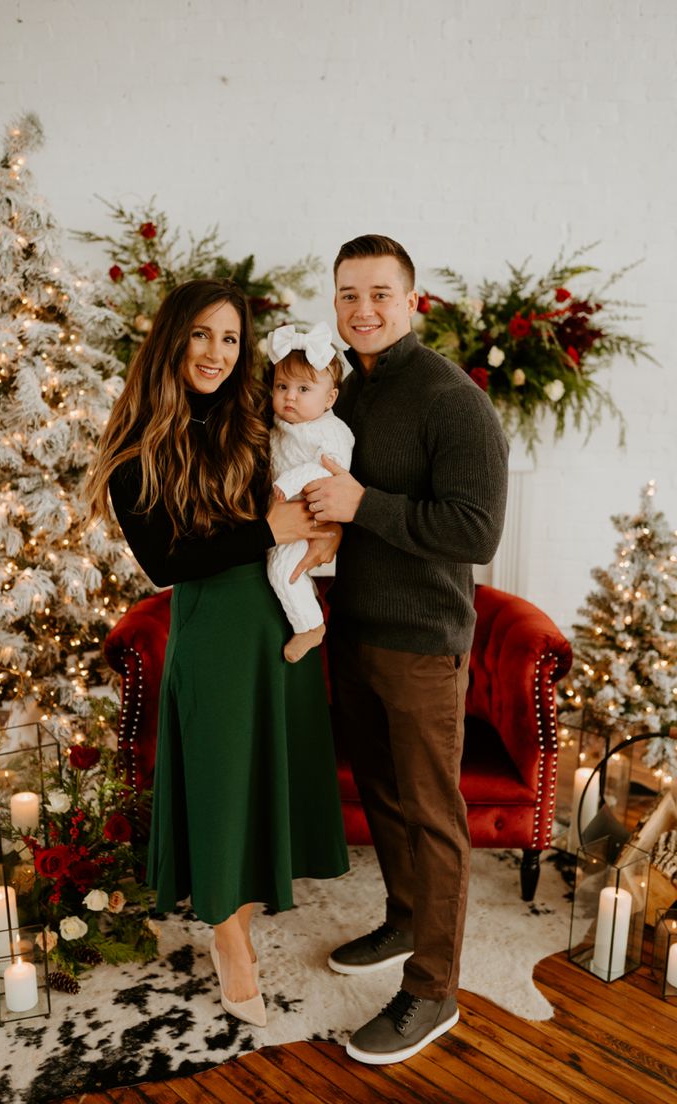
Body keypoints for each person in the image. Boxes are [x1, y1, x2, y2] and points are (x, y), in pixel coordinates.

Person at [86, 279, 349, 1028]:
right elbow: (167, 562)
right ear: (173, 338)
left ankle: (244, 915)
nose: (216, 352)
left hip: (278, 617)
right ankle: (230, 942)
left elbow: (309, 481)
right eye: (202, 334)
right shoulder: (135, 444)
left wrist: (323, 529)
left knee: (262, 776)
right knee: (218, 783)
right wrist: (275, 529)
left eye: (230, 339)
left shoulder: (253, 419)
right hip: (213, 627)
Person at [303, 235, 508, 1065]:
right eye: (349, 294)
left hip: (423, 644)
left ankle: (433, 990)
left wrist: (363, 505)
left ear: (412, 301)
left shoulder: (450, 401)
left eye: (379, 294)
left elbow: (477, 531)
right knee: (384, 796)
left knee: (432, 815)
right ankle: (404, 916)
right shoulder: (348, 390)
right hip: (354, 632)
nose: (363, 310)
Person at [265, 321, 354, 663]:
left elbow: (331, 470)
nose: (289, 396)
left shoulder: (330, 431)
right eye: (282, 386)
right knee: (274, 567)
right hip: (280, 516)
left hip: (308, 515)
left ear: (330, 397)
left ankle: (310, 626)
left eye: (304, 389)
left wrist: (287, 484)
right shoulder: (282, 424)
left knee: (283, 571)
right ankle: (303, 606)